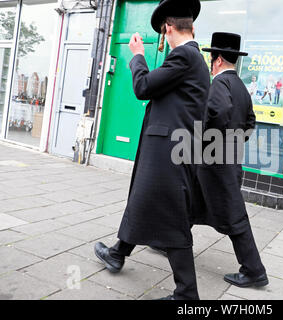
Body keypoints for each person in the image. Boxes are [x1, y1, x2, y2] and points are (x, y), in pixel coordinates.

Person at [94, 0, 210, 300]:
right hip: (170, 148)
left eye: (163, 31)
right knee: (143, 200)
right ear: (192, 26)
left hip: (169, 152)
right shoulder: (192, 59)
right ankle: (118, 252)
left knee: (170, 216)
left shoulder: (183, 56)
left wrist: (138, 56)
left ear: (167, 28)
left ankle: (187, 293)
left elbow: (143, 87)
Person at [196, 32, 269, 288]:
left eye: (210, 58)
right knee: (187, 201)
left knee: (235, 217)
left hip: (216, 164)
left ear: (216, 60)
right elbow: (250, 122)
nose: (209, 62)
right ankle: (164, 240)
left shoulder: (219, 84)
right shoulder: (240, 86)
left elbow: (219, 112)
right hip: (226, 161)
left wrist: (210, 142)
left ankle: (254, 270)